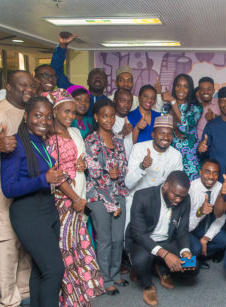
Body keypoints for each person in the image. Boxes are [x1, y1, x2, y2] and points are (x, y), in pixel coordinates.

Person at [1, 97, 65, 307]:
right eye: (38, 115)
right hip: (28, 212)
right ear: (26, 116)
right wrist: (43, 179)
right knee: (54, 270)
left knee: (40, 270)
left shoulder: (40, 142)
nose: (43, 121)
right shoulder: (14, 144)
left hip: (48, 208)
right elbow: (8, 189)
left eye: (48, 117)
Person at [44, 90, 105, 305]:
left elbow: (84, 158)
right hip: (63, 199)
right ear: (55, 111)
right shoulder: (49, 138)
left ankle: (80, 292)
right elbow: (56, 174)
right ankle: (68, 296)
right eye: (66, 111)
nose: (70, 115)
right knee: (65, 247)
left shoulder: (76, 132)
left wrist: (84, 164)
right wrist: (75, 199)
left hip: (80, 192)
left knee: (80, 244)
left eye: (72, 111)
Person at [126, 171, 198, 306]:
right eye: (175, 195)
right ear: (165, 186)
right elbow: (139, 234)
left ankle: (160, 267)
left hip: (167, 241)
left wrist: (185, 252)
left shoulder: (184, 199)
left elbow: (182, 231)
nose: (178, 200)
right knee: (141, 261)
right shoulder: (142, 196)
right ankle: (148, 285)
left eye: (181, 197)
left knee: (193, 268)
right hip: (144, 241)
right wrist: (166, 255)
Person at [0, 71, 34, 307]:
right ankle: (8, 299)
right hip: (1, 191)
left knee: (25, 239)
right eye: (22, 86)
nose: (28, 90)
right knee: (7, 243)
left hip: (26, 188)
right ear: (9, 87)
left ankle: (24, 291)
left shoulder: (31, 113)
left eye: (31, 86)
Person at [84, 98, 129, 296]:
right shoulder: (91, 141)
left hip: (118, 193)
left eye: (112, 116)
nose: (109, 119)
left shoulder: (118, 139)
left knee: (118, 238)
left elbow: (124, 167)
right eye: (104, 115)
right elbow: (95, 175)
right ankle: (105, 279)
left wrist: (117, 173)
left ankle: (116, 272)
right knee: (105, 239)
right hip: (98, 198)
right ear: (96, 117)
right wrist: (112, 204)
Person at [124, 114, 183, 231]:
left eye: (169, 134)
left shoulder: (176, 155)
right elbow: (128, 184)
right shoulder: (139, 148)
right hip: (135, 201)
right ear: (153, 134)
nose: (165, 137)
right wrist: (142, 167)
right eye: (161, 133)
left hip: (160, 205)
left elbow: (175, 187)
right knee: (130, 240)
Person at [51, 32, 108, 116]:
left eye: (101, 77)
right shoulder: (74, 92)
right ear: (88, 81)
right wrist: (62, 47)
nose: (97, 79)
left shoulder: (108, 103)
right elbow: (56, 73)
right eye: (94, 77)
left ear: (106, 83)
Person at [160, 74, 202, 181]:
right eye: (178, 85)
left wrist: (173, 102)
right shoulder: (166, 106)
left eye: (185, 86)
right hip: (170, 153)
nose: (181, 89)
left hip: (189, 157)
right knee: (171, 188)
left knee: (190, 190)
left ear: (190, 89)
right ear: (174, 87)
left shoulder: (195, 107)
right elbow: (164, 126)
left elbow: (184, 126)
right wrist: (170, 103)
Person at [188, 159, 226, 267]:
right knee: (195, 250)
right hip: (189, 227)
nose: (211, 177)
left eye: (215, 173)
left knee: (225, 241)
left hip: (206, 225)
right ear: (200, 172)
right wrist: (199, 212)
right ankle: (195, 256)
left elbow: (221, 217)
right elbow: (184, 225)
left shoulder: (221, 188)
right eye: (207, 172)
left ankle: (201, 254)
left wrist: (206, 237)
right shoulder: (190, 190)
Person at [196, 77, 220, 141]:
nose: (205, 92)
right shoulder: (194, 105)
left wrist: (214, 117)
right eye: (202, 89)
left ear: (213, 90)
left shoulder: (220, 104)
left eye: (209, 89)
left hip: (215, 144)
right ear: (199, 91)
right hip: (197, 145)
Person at [112, 88, 134, 158]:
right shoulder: (109, 120)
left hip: (131, 164)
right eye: (122, 101)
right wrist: (122, 133)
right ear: (114, 101)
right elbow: (105, 145)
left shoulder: (133, 119)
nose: (126, 105)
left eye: (129, 101)